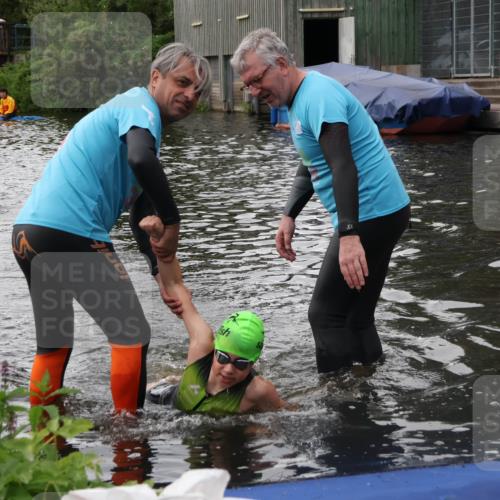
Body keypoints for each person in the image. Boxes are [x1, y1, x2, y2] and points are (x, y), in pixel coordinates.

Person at [12, 43, 211, 413]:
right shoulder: (140, 107)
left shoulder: (134, 120)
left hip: (30, 235)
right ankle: (128, 443)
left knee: (55, 344)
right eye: (182, 82)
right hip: (72, 233)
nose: (189, 95)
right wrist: (174, 221)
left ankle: (44, 439)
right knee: (132, 338)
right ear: (155, 78)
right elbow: (140, 158)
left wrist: (159, 273)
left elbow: (140, 214)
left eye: (197, 92)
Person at [231, 29, 410, 374]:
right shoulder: (301, 99)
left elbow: (343, 165)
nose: (253, 93)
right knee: (356, 317)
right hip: (385, 212)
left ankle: (337, 402)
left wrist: (348, 235)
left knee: (324, 315)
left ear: (281, 64)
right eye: (247, 85)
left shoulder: (318, 96)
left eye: (256, 81)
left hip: (370, 214)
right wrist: (289, 214)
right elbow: (312, 160)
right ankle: (368, 383)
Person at [141, 215, 286, 414]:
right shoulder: (202, 345)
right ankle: (173, 378)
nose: (228, 370)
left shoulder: (258, 391)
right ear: (216, 348)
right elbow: (175, 286)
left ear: (253, 363)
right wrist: (159, 241)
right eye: (223, 357)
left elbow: (286, 417)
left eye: (241, 364)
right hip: (168, 398)